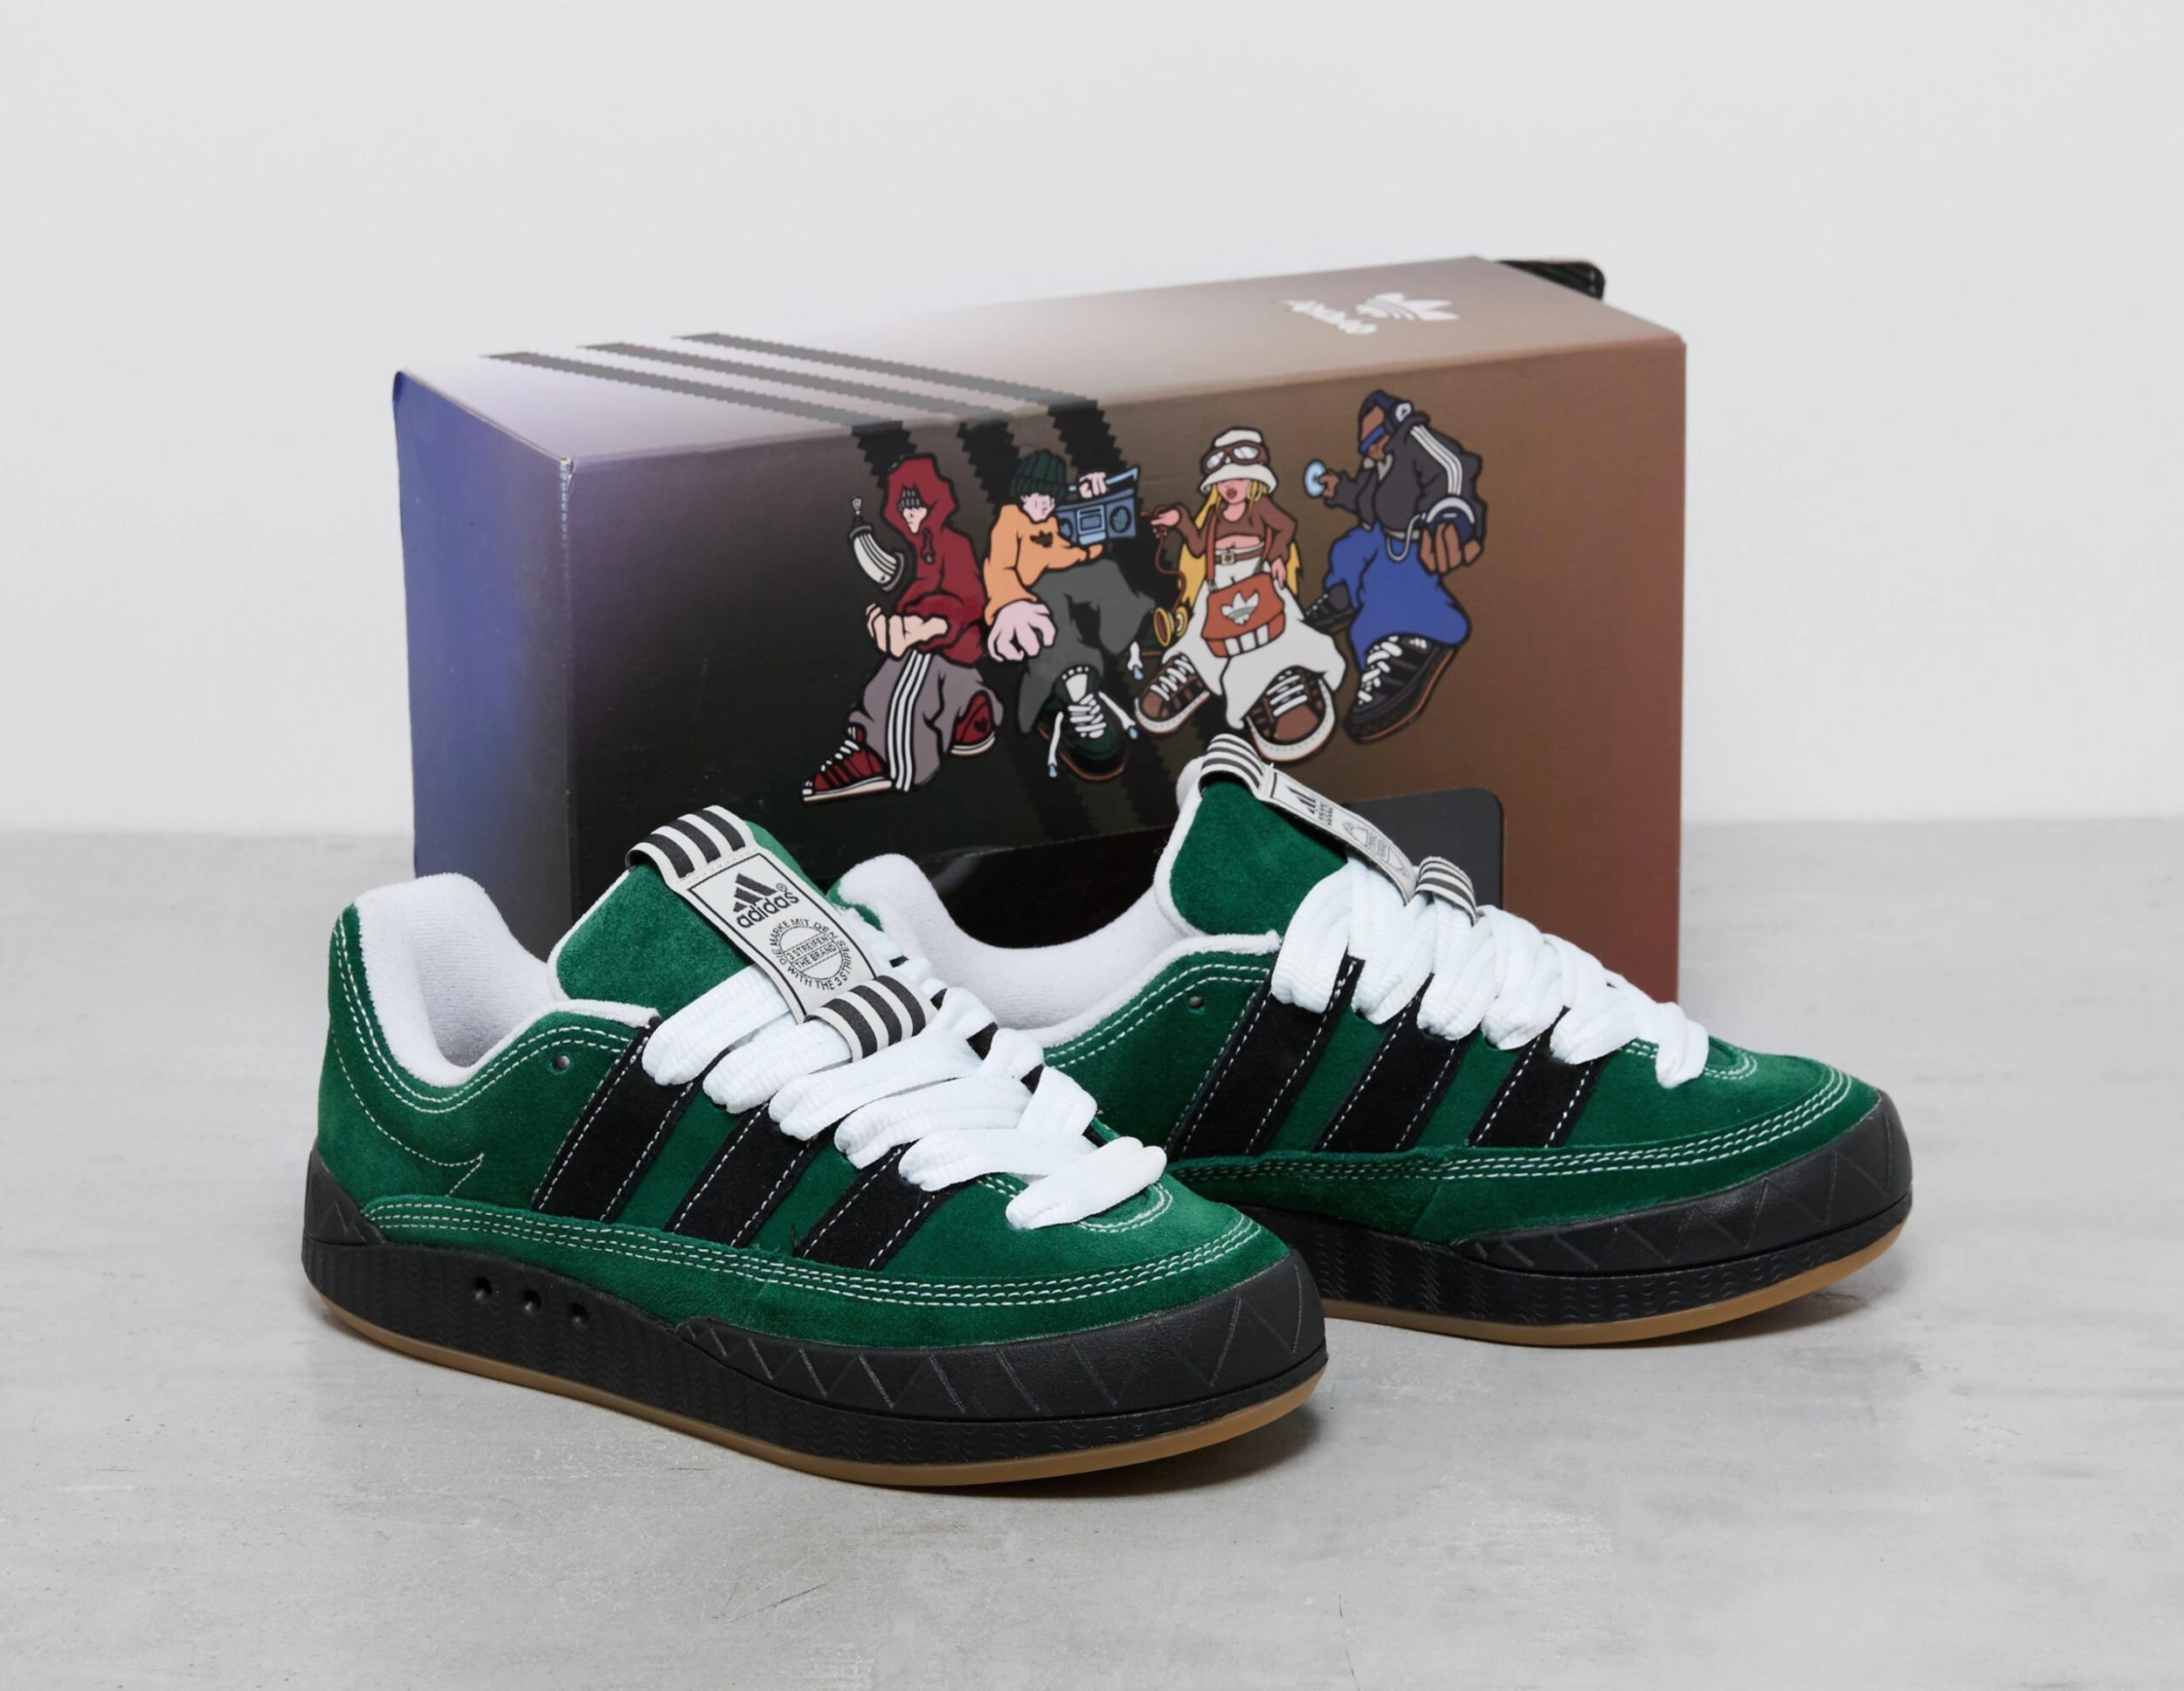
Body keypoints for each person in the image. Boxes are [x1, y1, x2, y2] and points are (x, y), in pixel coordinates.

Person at [1138, 428, 1346, 763]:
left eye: (1237, 478)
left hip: (1257, 576)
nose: (1229, 486)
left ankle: (1280, 679)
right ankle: (1192, 668)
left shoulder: (1259, 507)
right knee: (1204, 633)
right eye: (1223, 481)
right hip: (1218, 584)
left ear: (1254, 480)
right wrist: (1181, 521)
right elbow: (1198, 547)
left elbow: (1286, 527)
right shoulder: (1215, 516)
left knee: (1275, 631)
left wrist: (1276, 555)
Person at [804, 455, 997, 802]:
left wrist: (926, 625)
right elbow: (917, 591)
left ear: (933, 502)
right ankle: (967, 710)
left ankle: (892, 761)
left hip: (952, 644)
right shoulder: (924, 550)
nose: (908, 513)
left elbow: (970, 601)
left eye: (915, 504)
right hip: (930, 644)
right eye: (903, 506)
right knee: (881, 685)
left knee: (908, 692)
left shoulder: (953, 543)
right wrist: (898, 626)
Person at [1306, 390, 1488, 743]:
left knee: (1387, 583)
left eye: (1376, 439)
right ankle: (1344, 596)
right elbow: (1365, 499)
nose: (1372, 450)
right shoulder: (1379, 464)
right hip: (1382, 535)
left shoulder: (1416, 442)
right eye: (1366, 446)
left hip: (1416, 540)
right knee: (1350, 549)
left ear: (1396, 423)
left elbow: (1451, 472)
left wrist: (1451, 517)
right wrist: (1339, 489)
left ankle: (1411, 640)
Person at [982, 449, 1151, 781]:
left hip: (1066, 577)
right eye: (1037, 497)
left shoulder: (1056, 516)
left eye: (1050, 499)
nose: (1044, 505)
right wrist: (1011, 602)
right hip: (1030, 590)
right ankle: (1068, 691)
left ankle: (1131, 631)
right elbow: (999, 567)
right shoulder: (1010, 520)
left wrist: (1096, 506)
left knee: (1107, 571)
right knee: (1049, 618)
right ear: (1022, 494)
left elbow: (1079, 551)